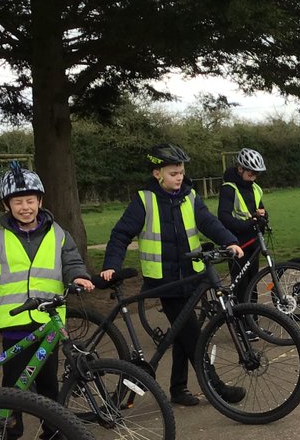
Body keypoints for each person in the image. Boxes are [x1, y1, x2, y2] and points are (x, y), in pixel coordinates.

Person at [0, 161, 94, 440]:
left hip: (48, 324)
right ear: (7, 205)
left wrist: (78, 277)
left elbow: (72, 262)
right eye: (18, 202)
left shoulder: (59, 234)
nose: (25, 207)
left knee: (49, 388)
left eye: (30, 200)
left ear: (40, 201)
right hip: (15, 326)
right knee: (14, 392)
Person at [100, 144, 245, 406]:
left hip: (191, 277)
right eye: (173, 173)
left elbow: (208, 222)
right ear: (157, 174)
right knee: (193, 335)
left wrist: (230, 241)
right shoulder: (144, 200)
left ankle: (178, 389)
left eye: (181, 172)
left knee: (182, 332)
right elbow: (121, 234)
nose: (179, 177)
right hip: (164, 281)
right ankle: (217, 388)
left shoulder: (190, 196)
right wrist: (111, 264)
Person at [217, 147, 268, 302]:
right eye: (251, 173)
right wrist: (248, 223)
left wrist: (264, 216)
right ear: (240, 169)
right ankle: (240, 314)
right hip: (237, 242)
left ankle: (253, 313)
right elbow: (224, 217)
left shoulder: (255, 188)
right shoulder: (229, 189)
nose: (254, 177)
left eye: (257, 173)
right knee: (241, 285)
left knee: (253, 283)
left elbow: (260, 209)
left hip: (253, 241)